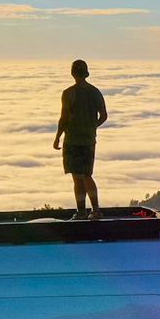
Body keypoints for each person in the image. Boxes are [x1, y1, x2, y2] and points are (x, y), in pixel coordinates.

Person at [52, 59, 108, 220]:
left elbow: (63, 118)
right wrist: (92, 127)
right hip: (89, 140)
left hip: (73, 140)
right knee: (87, 175)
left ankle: (82, 212)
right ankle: (96, 211)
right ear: (86, 72)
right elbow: (103, 116)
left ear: (72, 73)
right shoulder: (95, 92)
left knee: (77, 177)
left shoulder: (69, 93)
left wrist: (57, 138)